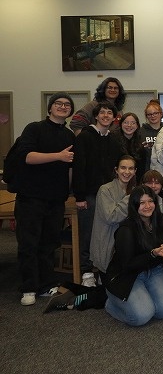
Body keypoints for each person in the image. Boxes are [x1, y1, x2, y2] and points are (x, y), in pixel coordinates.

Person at [14, 92, 75, 306]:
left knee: (50, 243)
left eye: (67, 105)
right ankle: (29, 287)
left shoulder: (69, 135)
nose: (63, 106)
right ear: (50, 108)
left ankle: (46, 284)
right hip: (30, 197)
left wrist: (69, 192)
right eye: (58, 103)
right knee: (29, 243)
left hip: (55, 199)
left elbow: (70, 168)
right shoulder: (34, 128)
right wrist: (58, 156)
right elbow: (27, 157)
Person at [103, 186, 163, 326]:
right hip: (129, 275)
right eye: (142, 203)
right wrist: (152, 254)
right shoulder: (126, 229)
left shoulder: (161, 220)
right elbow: (127, 265)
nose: (147, 206)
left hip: (155, 270)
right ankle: (111, 304)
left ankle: (145, 300)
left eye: (150, 201)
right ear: (134, 205)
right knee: (141, 317)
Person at [73, 100, 125, 287]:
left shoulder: (113, 139)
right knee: (88, 233)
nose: (105, 116)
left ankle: (105, 269)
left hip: (110, 195)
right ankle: (87, 272)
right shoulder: (84, 137)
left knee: (109, 232)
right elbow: (78, 167)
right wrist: (79, 197)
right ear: (96, 116)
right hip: (89, 195)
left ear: (114, 117)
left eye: (109, 113)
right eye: (102, 112)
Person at [90, 155, 137, 281]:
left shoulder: (134, 190)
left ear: (135, 171)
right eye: (123, 168)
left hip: (127, 245)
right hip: (108, 243)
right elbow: (111, 217)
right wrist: (131, 198)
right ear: (116, 170)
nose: (127, 172)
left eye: (131, 168)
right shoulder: (105, 190)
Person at [114, 112, 146, 183]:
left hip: (135, 182)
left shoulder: (140, 143)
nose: (129, 125)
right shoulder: (113, 141)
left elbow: (141, 169)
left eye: (133, 123)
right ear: (121, 124)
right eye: (126, 122)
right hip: (116, 181)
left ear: (137, 125)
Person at [140, 99, 163, 173]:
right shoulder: (140, 132)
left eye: (155, 113)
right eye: (149, 114)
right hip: (145, 171)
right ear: (146, 116)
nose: (153, 116)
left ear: (161, 114)